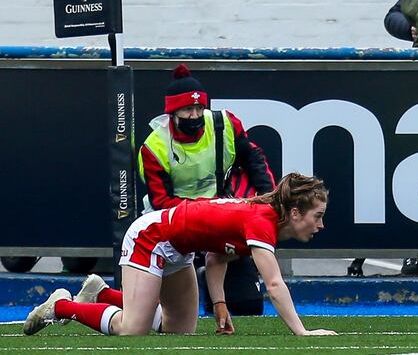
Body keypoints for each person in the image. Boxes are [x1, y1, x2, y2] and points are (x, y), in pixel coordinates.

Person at [23, 173, 337, 337]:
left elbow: (216, 258)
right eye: (318, 216)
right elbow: (274, 284)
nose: (321, 225)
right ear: (295, 213)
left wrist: (220, 304)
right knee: (132, 329)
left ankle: (101, 293)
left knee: (180, 329)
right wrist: (302, 331)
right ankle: (62, 306)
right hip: (151, 237)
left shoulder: (264, 220)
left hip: (177, 249)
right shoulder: (262, 221)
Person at [139, 64, 275, 315]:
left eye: (199, 108)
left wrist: (270, 199)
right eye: (188, 109)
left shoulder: (225, 124)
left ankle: (215, 280)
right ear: (172, 113)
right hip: (172, 226)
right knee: (156, 315)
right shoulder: (154, 147)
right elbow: (160, 200)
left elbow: (254, 159)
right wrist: (203, 216)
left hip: (220, 220)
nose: (195, 115)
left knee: (248, 306)